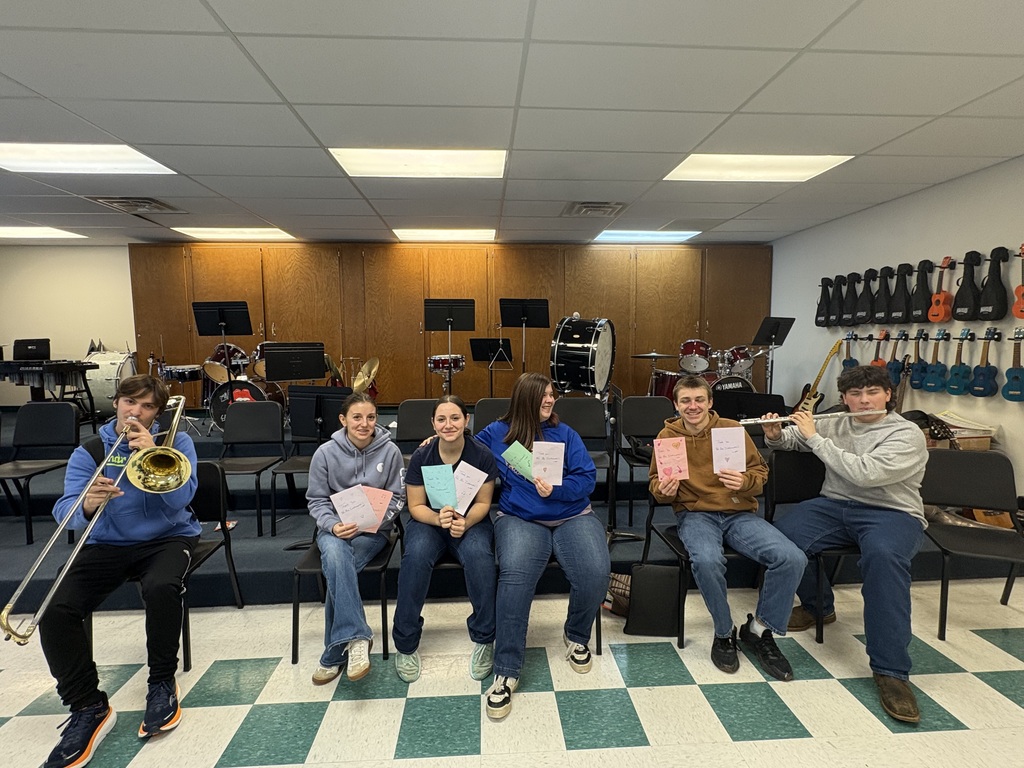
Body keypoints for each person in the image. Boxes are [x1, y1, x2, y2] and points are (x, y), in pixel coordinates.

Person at [38, 375, 199, 768]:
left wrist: (151, 452)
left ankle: (161, 681)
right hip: (106, 542)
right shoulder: (90, 450)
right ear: (117, 402)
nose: (135, 412)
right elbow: (65, 512)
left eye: (146, 407)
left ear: (157, 413)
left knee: (162, 588)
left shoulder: (174, 441)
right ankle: (87, 704)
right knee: (55, 610)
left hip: (166, 537)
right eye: (130, 402)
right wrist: (89, 504)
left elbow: (185, 497)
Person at [763, 364, 928, 723]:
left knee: (884, 560)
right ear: (845, 399)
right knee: (781, 540)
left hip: (892, 512)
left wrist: (815, 437)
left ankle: (891, 671)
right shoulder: (836, 422)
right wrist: (776, 434)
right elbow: (793, 440)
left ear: (888, 395)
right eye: (855, 395)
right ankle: (818, 606)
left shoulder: (907, 434)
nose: (864, 400)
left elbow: (865, 474)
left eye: (872, 393)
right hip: (835, 506)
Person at [648, 375, 804, 681]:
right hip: (696, 514)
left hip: (738, 512)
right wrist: (665, 490)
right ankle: (723, 632)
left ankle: (759, 630)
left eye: (699, 400)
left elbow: (760, 473)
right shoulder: (668, 436)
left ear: (710, 402)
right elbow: (656, 487)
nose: (693, 407)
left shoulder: (732, 429)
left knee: (792, 557)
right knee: (706, 561)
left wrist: (745, 482)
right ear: (676, 405)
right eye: (685, 401)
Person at [474, 372, 610, 720]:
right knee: (515, 577)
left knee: (596, 572)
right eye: (542, 397)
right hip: (520, 518)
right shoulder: (496, 435)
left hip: (572, 515)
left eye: (552, 396)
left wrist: (558, 489)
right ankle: (506, 669)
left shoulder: (566, 434)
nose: (549, 401)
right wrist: (436, 441)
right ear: (524, 400)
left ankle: (576, 634)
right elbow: (463, 450)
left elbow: (587, 478)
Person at [393, 395, 499, 683]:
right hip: (429, 521)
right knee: (414, 559)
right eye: (441, 419)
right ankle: (406, 643)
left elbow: (483, 502)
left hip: (470, 522)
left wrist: (466, 523)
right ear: (433, 423)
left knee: (481, 559)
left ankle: (484, 638)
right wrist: (437, 519)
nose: (448, 424)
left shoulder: (482, 455)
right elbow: (415, 506)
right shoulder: (422, 456)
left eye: (455, 418)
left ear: (467, 421)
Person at [307, 392, 405, 686]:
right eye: (357, 417)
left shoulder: (390, 452)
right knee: (338, 557)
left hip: (374, 532)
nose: (365, 424)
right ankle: (358, 638)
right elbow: (316, 501)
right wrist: (334, 525)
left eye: (371, 417)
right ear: (343, 420)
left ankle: (335, 651)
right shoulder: (324, 454)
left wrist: (375, 521)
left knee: (338, 568)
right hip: (334, 532)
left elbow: (398, 499)